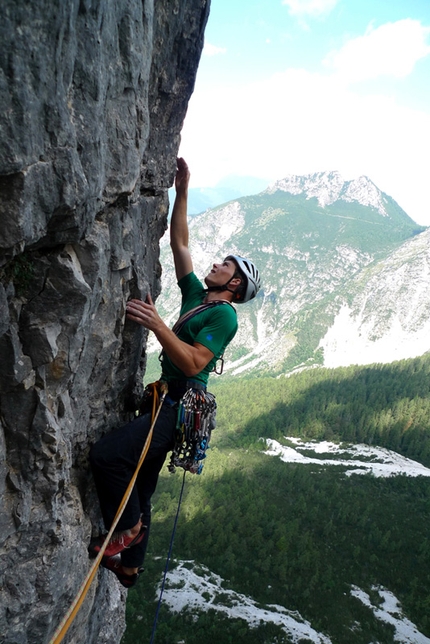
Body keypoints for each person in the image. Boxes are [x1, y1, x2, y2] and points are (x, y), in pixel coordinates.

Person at [88, 158, 261, 588]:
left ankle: (125, 531)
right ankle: (129, 567)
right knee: (143, 486)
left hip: (179, 405)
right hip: (166, 399)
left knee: (108, 458)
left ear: (235, 285)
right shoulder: (199, 296)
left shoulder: (224, 316)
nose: (217, 264)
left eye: (226, 265)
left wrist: (157, 324)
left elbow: (194, 363)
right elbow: (180, 244)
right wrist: (182, 191)